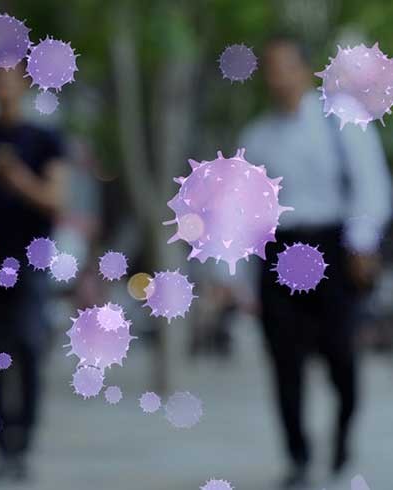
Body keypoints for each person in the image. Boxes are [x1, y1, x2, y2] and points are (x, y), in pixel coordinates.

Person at [240, 35, 392, 489]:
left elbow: (371, 184)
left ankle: (342, 438)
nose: (279, 77)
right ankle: (299, 457)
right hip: (278, 251)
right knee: (283, 361)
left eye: (287, 66)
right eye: (271, 68)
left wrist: (362, 244)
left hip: (331, 248)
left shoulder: (340, 120)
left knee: (341, 354)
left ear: (306, 70)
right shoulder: (256, 136)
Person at [0, 64, 67, 482]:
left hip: (31, 261)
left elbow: (55, 200)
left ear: (23, 83)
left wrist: (15, 175)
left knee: (28, 348)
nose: (3, 85)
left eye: (10, 77)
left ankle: (24, 442)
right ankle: (1, 446)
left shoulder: (45, 140)